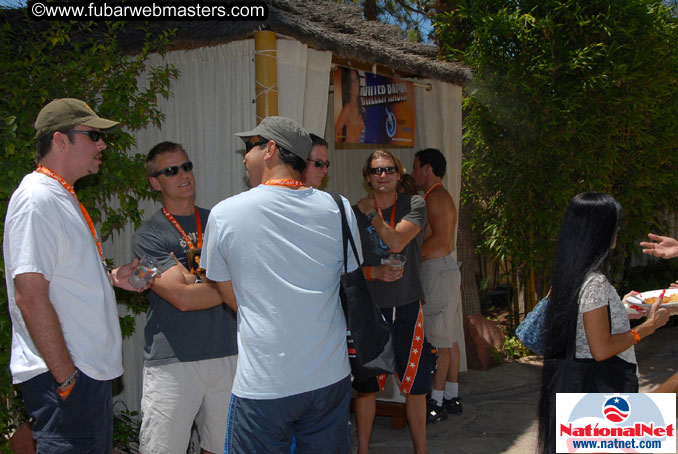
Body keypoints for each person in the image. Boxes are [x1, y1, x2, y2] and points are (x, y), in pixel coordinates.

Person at [201, 116, 361, 453]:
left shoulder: (225, 214)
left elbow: (229, 294)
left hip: (266, 382)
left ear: (271, 149)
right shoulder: (340, 208)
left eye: (250, 146)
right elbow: (347, 277)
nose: (244, 156)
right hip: (330, 377)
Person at [3, 98, 150, 453]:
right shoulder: (37, 200)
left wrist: (113, 277)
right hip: (66, 377)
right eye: (92, 135)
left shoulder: (60, 196)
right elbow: (29, 294)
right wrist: (66, 376)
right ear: (59, 140)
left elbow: (62, 276)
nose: (102, 145)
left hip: (82, 375)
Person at [537, 192, 671, 454]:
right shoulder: (596, 283)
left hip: (574, 386)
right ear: (601, 232)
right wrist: (648, 327)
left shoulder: (571, 274)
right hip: (601, 390)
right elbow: (601, 349)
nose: (617, 233)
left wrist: (619, 309)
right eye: (615, 227)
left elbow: (582, 323)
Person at [131, 142, 238, 454]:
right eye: (171, 170)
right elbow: (182, 299)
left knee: (223, 447)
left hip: (228, 353)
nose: (183, 174)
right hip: (174, 361)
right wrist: (229, 282)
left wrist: (195, 279)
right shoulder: (149, 234)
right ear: (155, 182)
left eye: (186, 166)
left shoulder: (220, 222)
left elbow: (246, 277)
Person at [352, 149, 433, 454]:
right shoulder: (352, 213)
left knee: (415, 385)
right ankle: (363, 450)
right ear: (367, 177)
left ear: (399, 175)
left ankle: (421, 450)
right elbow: (342, 266)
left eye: (388, 170)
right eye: (376, 171)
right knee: (367, 387)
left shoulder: (414, 204)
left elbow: (397, 241)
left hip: (408, 306)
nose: (382, 176)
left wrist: (372, 214)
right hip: (370, 310)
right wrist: (373, 271)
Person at [411, 148, 464, 423]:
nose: (413, 172)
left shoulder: (435, 198)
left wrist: (408, 256)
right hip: (443, 270)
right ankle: (452, 396)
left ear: (427, 168)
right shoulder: (437, 197)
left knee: (439, 341)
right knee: (448, 338)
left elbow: (442, 243)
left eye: (416, 167)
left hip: (437, 270)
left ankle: (437, 402)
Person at [334, 68, 365, 143]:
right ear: (348, 86)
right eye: (352, 81)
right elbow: (335, 133)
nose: (356, 83)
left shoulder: (361, 108)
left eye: (357, 79)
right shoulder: (347, 109)